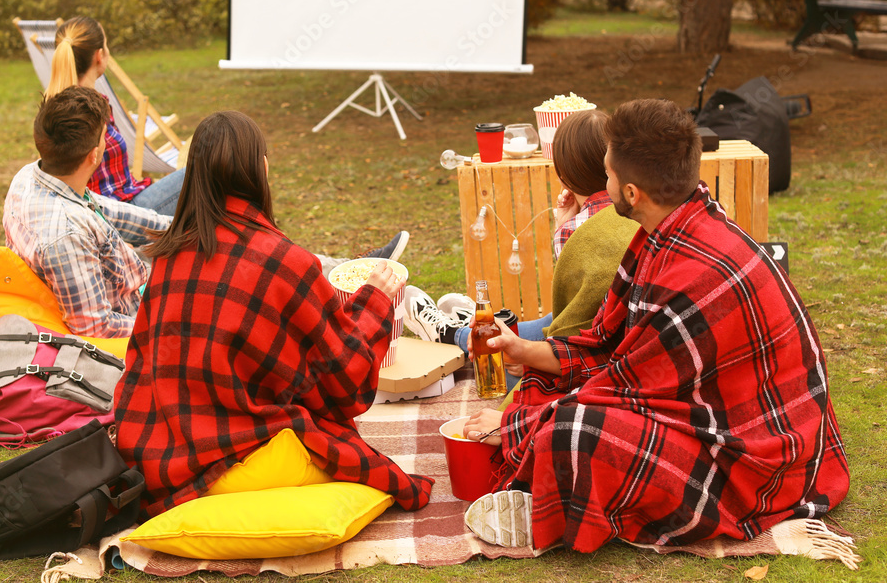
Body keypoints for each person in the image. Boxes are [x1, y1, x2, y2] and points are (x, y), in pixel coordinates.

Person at [460, 98, 850, 553]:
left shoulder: (690, 273)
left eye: (607, 175)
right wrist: (524, 352)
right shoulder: (669, 229)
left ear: (631, 194)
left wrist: (513, 426)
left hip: (757, 460)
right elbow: (611, 344)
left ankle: (553, 502)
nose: (601, 185)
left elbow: (626, 389)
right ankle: (548, 487)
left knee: (575, 430)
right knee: (541, 389)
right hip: (712, 412)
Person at [113, 110, 434, 517]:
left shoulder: (169, 257)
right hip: (239, 462)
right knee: (327, 447)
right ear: (259, 168)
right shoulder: (286, 262)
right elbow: (345, 384)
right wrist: (375, 301)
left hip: (158, 458)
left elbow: (140, 364)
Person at [46, 16, 407, 265]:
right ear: (99, 56)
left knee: (226, 215)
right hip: (125, 216)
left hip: (124, 205)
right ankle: (338, 268)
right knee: (219, 170)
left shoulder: (56, 107)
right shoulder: (90, 111)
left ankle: (337, 267)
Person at [402, 110, 639, 374]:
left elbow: (570, 323)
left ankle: (450, 334)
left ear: (562, 174)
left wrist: (563, 228)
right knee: (546, 321)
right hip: (620, 331)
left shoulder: (573, 230)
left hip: (589, 355)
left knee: (515, 358)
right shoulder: (637, 208)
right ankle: (472, 323)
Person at [3, 86, 172, 338]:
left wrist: (178, 227)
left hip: (130, 281)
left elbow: (105, 210)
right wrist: (168, 326)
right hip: (135, 318)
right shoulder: (66, 236)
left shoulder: (30, 176)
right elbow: (96, 327)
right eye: (106, 135)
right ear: (94, 155)